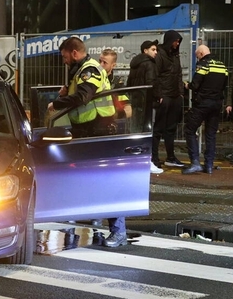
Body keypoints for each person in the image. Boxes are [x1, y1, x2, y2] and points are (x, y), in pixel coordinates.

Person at [47, 37, 124, 247]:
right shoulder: (81, 71)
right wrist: (65, 92)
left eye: (64, 57)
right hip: (87, 132)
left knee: (106, 181)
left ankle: (119, 232)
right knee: (86, 178)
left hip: (98, 131)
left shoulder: (90, 69)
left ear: (74, 53)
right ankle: (87, 218)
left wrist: (57, 102)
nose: (63, 61)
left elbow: (83, 97)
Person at [182, 44, 228, 174]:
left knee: (190, 129)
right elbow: (224, 85)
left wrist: (187, 86)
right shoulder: (222, 66)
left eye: (197, 56)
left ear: (201, 54)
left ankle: (195, 162)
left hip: (202, 104)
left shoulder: (203, 65)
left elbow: (195, 85)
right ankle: (209, 165)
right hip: (216, 104)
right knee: (211, 134)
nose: (197, 59)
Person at [127, 39, 162, 174]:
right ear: (145, 50)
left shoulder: (135, 64)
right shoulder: (149, 64)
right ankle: (147, 161)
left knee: (136, 132)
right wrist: (158, 96)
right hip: (147, 103)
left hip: (136, 101)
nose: (156, 52)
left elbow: (130, 83)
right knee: (147, 132)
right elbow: (151, 83)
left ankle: (134, 159)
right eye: (153, 49)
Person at [153, 29, 185, 168]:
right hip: (164, 97)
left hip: (174, 97)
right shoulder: (160, 54)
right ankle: (154, 158)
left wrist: (180, 93)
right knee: (158, 129)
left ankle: (170, 157)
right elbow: (156, 76)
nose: (177, 44)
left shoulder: (175, 56)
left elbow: (179, 75)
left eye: (178, 41)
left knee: (171, 129)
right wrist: (159, 95)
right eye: (175, 41)